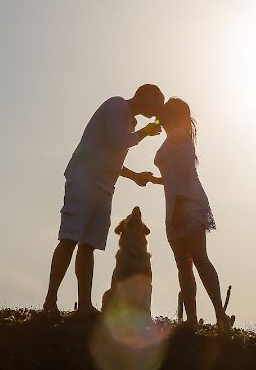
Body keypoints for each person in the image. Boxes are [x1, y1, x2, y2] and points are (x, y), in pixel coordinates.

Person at [43, 84, 165, 315]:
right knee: (70, 238)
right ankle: (50, 301)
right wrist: (146, 132)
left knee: (88, 245)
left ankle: (85, 305)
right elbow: (118, 142)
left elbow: (112, 157)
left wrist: (135, 176)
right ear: (142, 95)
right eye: (156, 101)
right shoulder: (117, 104)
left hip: (105, 186)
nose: (158, 108)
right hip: (84, 179)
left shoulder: (132, 123)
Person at [147, 97, 231, 330]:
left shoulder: (177, 136)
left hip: (185, 205)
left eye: (163, 112)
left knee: (198, 260)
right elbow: (174, 176)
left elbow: (182, 180)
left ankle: (218, 315)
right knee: (185, 266)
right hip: (177, 204)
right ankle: (195, 319)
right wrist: (152, 179)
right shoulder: (175, 137)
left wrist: (176, 210)